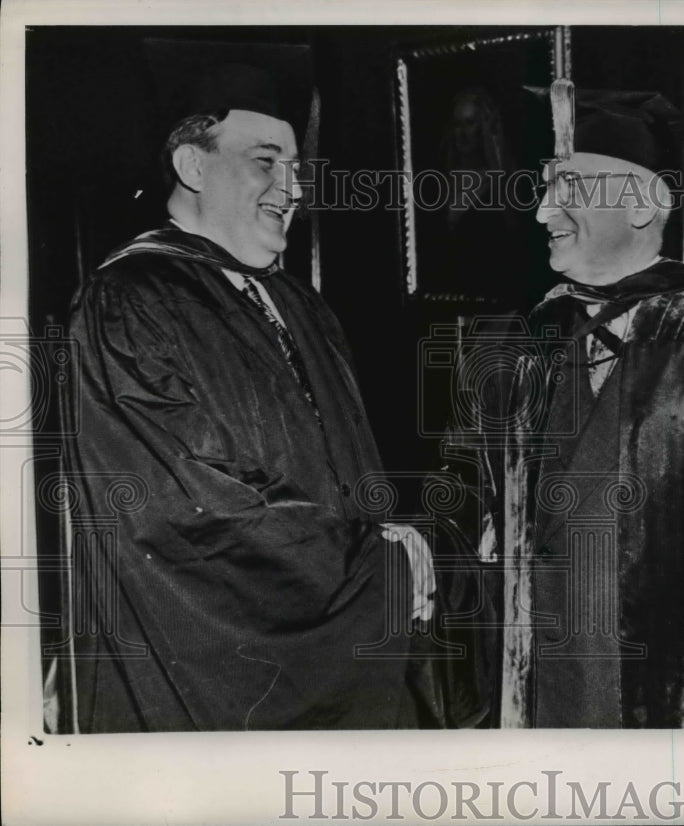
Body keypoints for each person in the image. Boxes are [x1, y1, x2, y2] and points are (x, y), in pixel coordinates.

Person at [58, 53, 454, 731]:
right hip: (206, 664)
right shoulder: (130, 300)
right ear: (193, 166)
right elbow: (180, 503)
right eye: (266, 162)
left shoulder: (300, 305)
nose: (293, 187)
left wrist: (384, 549)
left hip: (336, 644)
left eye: (297, 167)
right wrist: (370, 563)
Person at [446, 81, 684, 728]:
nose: (542, 212)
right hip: (531, 694)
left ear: (643, 206)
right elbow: (468, 518)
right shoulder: (513, 343)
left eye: (567, 190)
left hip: (674, 698)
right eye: (545, 190)